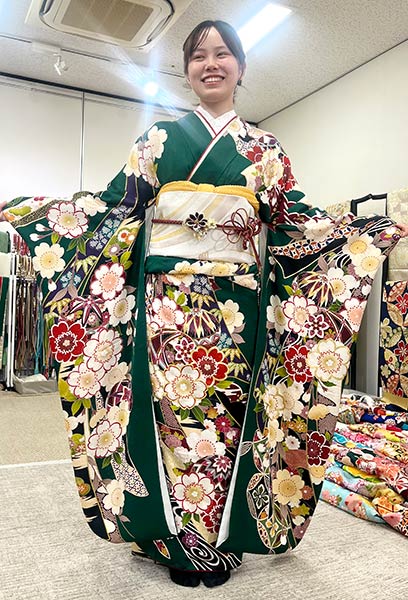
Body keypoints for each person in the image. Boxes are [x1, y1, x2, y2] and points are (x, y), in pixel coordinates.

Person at [1, 20, 407, 589]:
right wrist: (34, 216)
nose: (210, 64)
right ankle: (175, 540)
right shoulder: (157, 141)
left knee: (225, 423)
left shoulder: (266, 151)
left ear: (241, 67)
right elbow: (112, 209)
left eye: (222, 54)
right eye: (198, 56)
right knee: (173, 420)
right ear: (186, 70)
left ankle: (218, 540)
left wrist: (366, 232)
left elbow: (297, 225)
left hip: (236, 307)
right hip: (166, 304)